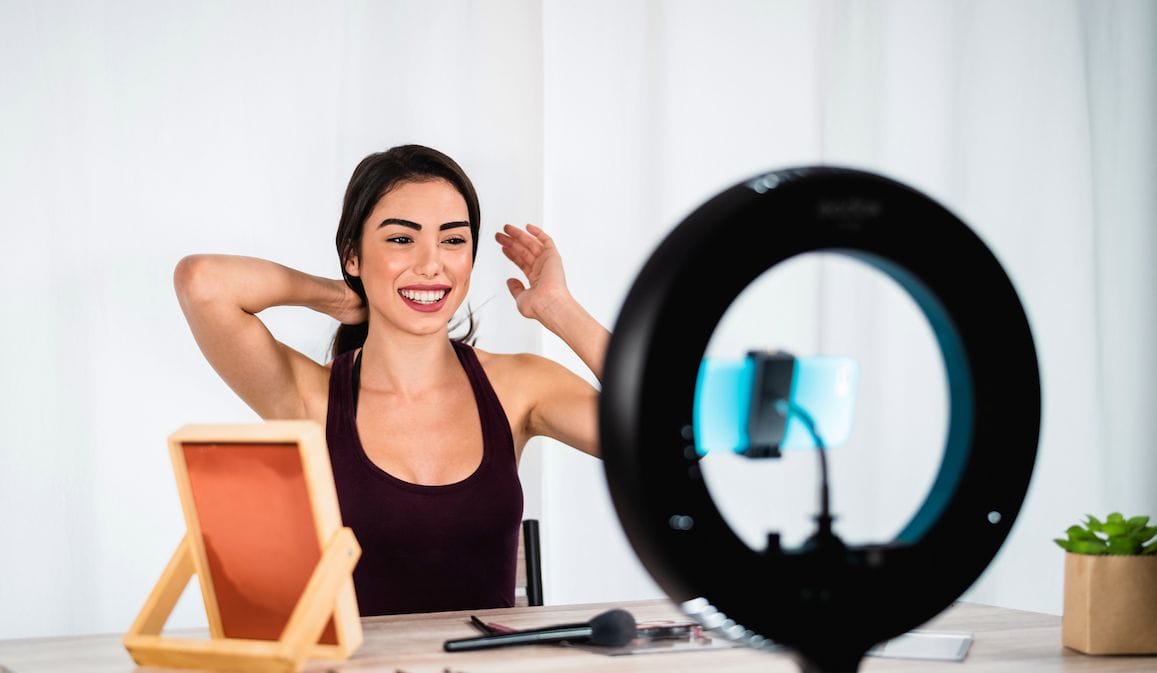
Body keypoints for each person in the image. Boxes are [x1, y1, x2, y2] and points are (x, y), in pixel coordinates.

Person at [173, 144, 608, 615]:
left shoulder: (519, 387)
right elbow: (202, 281)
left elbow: (674, 436)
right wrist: (339, 296)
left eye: (453, 240)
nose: (431, 263)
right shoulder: (312, 399)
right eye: (402, 239)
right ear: (353, 255)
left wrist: (558, 308)